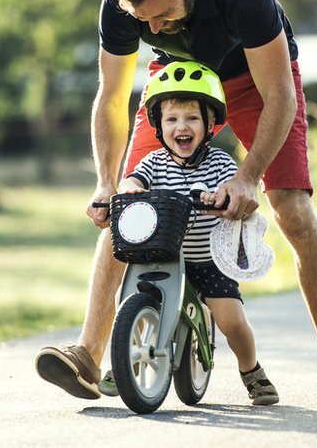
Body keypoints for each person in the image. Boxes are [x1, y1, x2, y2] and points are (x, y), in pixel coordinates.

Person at [35, 0, 317, 405]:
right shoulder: (123, 2)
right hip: (180, 83)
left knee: (291, 208)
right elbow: (110, 98)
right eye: (145, 21)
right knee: (128, 206)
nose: (158, 28)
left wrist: (247, 176)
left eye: (165, 14)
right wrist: (107, 184)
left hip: (256, 79)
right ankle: (88, 354)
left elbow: (280, 96)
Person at [103, 60, 278, 405]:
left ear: (210, 123)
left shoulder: (220, 164)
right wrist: (129, 188)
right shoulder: (153, 163)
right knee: (125, 298)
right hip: (163, 255)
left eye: (192, 118)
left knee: (231, 320)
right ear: (158, 125)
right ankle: (123, 357)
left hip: (207, 261)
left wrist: (224, 197)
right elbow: (134, 179)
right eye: (171, 119)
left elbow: (235, 188)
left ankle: (251, 370)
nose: (180, 127)